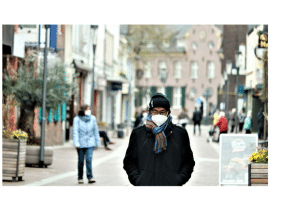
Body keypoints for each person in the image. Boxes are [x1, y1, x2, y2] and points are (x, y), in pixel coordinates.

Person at [123, 93, 195, 186]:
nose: (158, 115)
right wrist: (138, 180)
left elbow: (188, 162)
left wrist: (178, 180)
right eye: (155, 111)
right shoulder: (138, 133)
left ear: (168, 112)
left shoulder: (180, 134)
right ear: (150, 112)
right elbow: (129, 161)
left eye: (162, 112)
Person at [73, 104, 101, 184]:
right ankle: (80, 177)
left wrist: (97, 142)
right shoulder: (77, 119)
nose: (89, 111)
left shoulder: (92, 119)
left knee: (89, 160)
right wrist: (76, 143)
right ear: (83, 110)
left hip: (90, 143)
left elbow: (95, 131)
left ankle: (90, 177)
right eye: (87, 109)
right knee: (81, 161)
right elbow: (75, 132)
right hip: (80, 144)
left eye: (89, 109)